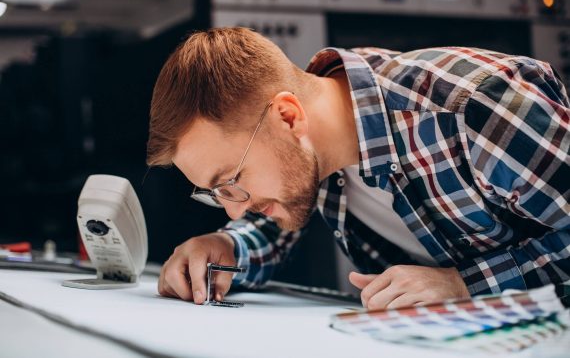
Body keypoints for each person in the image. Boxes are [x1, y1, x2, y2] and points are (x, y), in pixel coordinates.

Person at [147, 27, 569, 310]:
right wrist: (227, 248)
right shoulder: (320, 139)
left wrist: (463, 285)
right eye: (216, 193)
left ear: (288, 117)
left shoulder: (473, 105)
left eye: (231, 182)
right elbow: (283, 220)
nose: (235, 210)